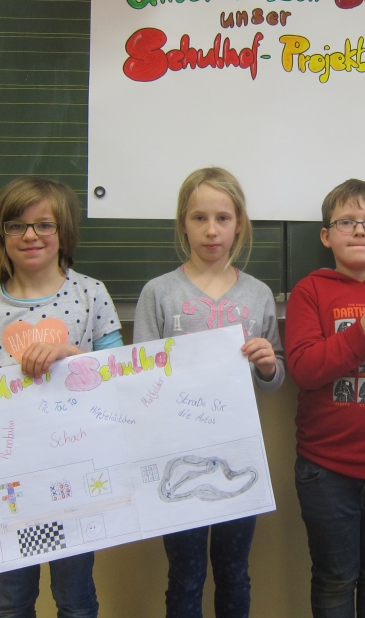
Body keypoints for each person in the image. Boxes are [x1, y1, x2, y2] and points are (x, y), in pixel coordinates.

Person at [0, 176, 123, 618]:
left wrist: (69, 354)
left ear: (64, 232)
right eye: (16, 225)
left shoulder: (90, 294)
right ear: (1, 235)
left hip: (75, 474)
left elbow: (117, 377)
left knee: (75, 598)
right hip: (6, 481)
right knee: (14, 598)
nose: (30, 235)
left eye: (44, 224)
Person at [133, 166, 284, 618]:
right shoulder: (159, 293)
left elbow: (275, 380)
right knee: (185, 574)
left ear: (239, 224)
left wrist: (268, 364)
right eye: (199, 218)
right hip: (176, 455)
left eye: (223, 218)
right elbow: (139, 379)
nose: (211, 230)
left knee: (234, 572)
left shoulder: (258, 294)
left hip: (239, 453)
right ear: (183, 223)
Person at [285, 179, 365, 618]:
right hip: (326, 469)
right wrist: (364, 331)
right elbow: (304, 369)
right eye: (346, 221)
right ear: (326, 236)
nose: (359, 230)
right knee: (334, 578)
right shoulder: (310, 291)